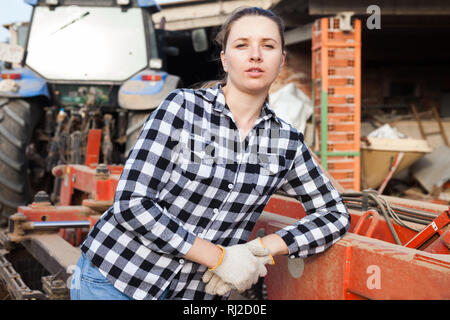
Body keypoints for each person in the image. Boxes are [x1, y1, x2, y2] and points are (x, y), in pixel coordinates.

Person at [70, 6, 351, 300]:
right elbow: (131, 203)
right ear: (225, 59)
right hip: (116, 279)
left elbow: (334, 214)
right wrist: (218, 257)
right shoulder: (182, 108)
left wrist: (261, 249)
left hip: (194, 296)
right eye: (242, 45)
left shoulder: (285, 142)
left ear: (281, 61)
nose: (255, 55)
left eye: (268, 46)